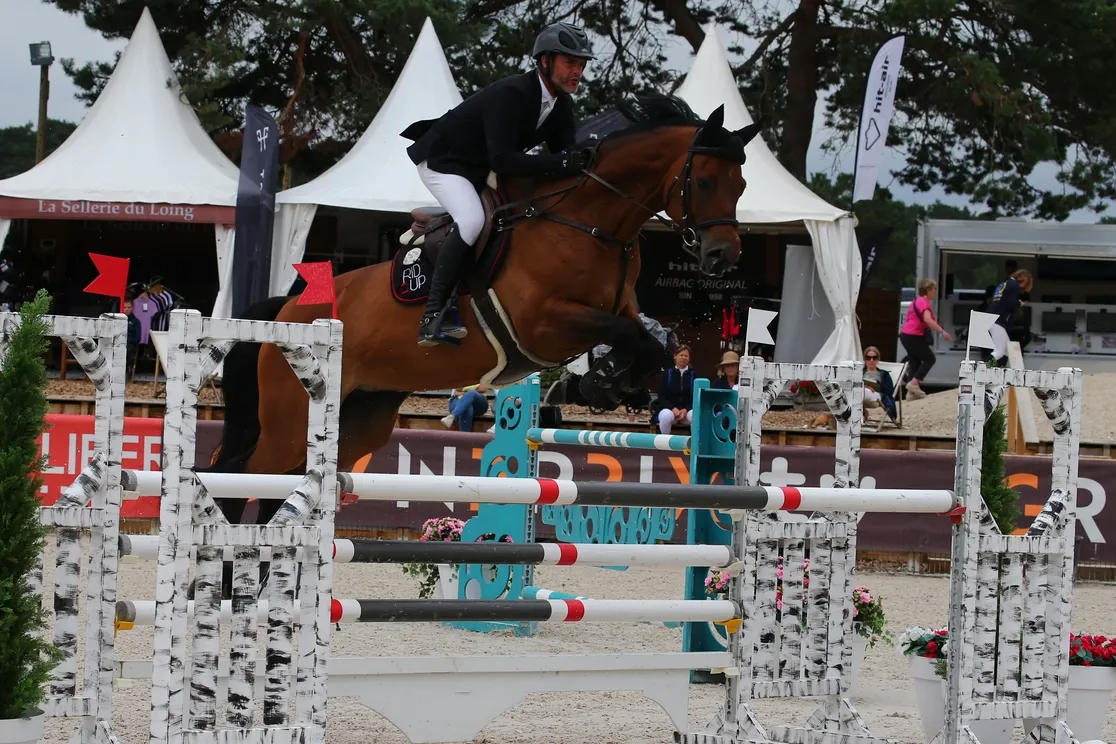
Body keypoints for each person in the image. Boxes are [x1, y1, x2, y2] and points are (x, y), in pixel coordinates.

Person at [401, 22, 598, 347]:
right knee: (472, 219)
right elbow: (504, 161)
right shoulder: (513, 93)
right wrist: (563, 162)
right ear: (544, 62)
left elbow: (566, 156)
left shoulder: (561, 105)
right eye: (569, 63)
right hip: (443, 161)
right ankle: (432, 315)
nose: (577, 71)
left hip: (476, 168)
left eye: (580, 64)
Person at [899, 278, 951, 399]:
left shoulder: (917, 301)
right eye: (934, 289)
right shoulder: (924, 302)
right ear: (927, 290)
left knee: (916, 361)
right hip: (913, 336)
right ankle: (913, 384)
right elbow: (927, 320)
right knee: (929, 358)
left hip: (906, 335)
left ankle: (911, 394)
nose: (935, 291)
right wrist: (942, 331)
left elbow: (925, 322)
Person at [986, 269, 1034, 364]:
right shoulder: (1014, 286)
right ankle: (983, 368)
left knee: (1009, 351)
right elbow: (1011, 303)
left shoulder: (1004, 284)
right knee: (999, 351)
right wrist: (1019, 303)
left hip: (992, 317)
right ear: (1023, 279)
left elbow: (1000, 300)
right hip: (998, 320)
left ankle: (1000, 372)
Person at [652, 345, 696, 434]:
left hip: (686, 413)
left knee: (695, 415)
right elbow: (662, 397)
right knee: (665, 416)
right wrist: (673, 409)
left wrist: (686, 409)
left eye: (686, 356)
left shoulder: (694, 375)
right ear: (675, 356)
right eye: (681, 355)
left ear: (689, 358)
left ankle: (695, 445)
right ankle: (665, 443)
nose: (683, 358)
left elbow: (696, 398)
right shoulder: (666, 375)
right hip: (670, 410)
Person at [862, 346, 897, 422]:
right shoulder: (860, 373)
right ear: (865, 360)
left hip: (877, 396)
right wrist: (866, 386)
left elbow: (890, 391)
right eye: (868, 358)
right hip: (861, 394)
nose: (871, 360)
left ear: (878, 360)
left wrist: (879, 386)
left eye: (874, 358)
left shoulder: (884, 374)